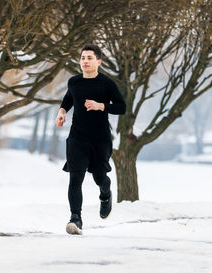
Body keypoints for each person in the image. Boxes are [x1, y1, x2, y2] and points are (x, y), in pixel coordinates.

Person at [55, 44, 126, 235]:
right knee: (75, 178)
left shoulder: (107, 84)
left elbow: (121, 107)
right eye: (83, 58)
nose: (85, 61)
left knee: (99, 177)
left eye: (89, 58)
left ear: (98, 62)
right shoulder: (74, 82)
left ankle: (105, 193)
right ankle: (75, 219)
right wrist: (61, 113)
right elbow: (69, 99)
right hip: (77, 138)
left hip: (100, 139)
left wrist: (100, 105)